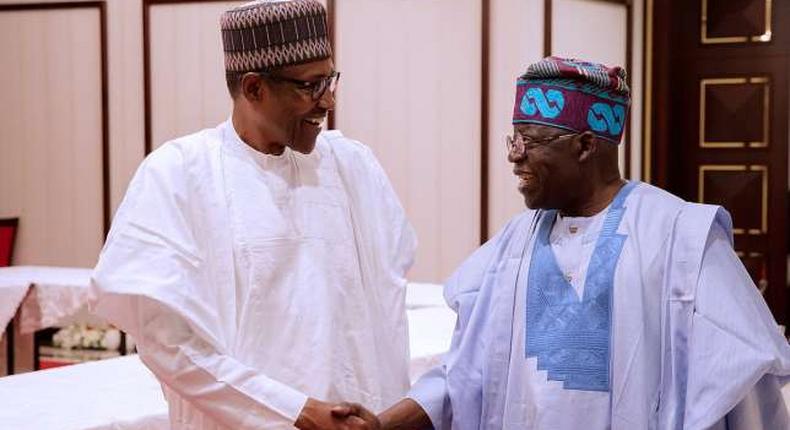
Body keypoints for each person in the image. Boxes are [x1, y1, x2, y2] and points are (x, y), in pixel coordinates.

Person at [377, 57, 790, 429]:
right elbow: (464, 374)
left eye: (530, 141)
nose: (514, 156)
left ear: (586, 146)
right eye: (513, 140)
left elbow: (740, 388)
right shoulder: (512, 244)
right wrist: (383, 424)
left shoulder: (681, 238)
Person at [90, 1, 414, 429]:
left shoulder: (353, 167)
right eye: (310, 86)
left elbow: (385, 314)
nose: (329, 100)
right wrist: (294, 411)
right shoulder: (179, 175)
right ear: (254, 87)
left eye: (330, 79)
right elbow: (170, 345)